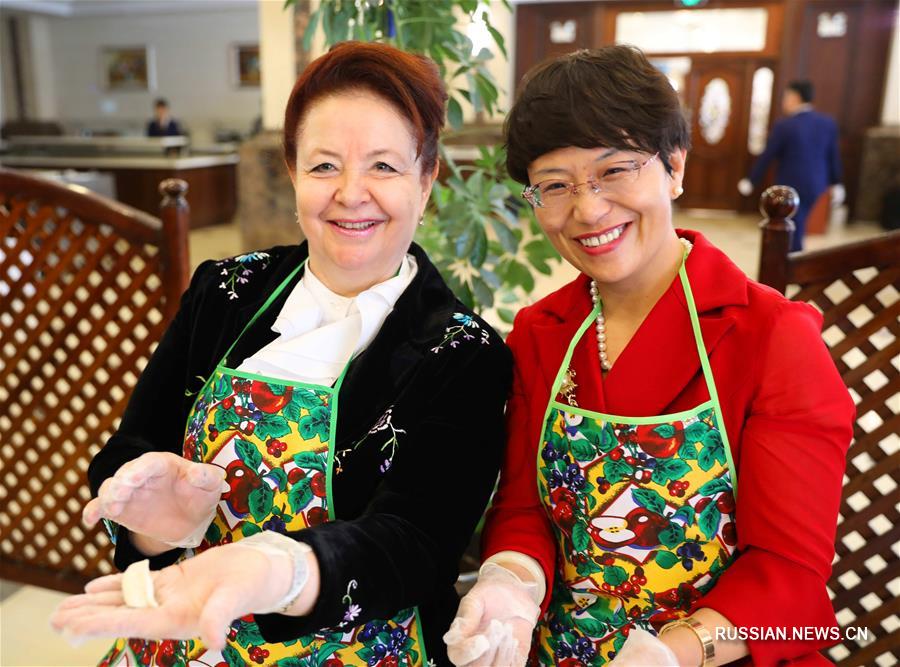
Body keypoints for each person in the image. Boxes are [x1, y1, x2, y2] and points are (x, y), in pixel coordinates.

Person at [51, 41, 511, 667]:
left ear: (426, 180)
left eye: (384, 166)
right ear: (292, 172)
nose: (352, 194)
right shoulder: (224, 291)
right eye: (324, 166)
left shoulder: (462, 351)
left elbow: (417, 543)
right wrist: (153, 522)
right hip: (177, 638)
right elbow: (132, 448)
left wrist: (279, 571)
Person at [443, 47, 854, 666]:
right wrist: (510, 582)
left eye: (615, 170)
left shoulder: (772, 337)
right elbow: (525, 508)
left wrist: (674, 654)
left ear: (675, 167)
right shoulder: (542, 331)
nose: (587, 209)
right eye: (555, 185)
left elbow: (789, 576)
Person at [737, 80, 844, 252]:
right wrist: (837, 183)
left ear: (795, 97)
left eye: (786, 97)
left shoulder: (785, 125)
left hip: (792, 185)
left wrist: (751, 180)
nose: (784, 101)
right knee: (797, 221)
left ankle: (792, 262)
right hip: (817, 184)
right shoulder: (827, 123)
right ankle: (791, 259)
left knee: (794, 223)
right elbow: (833, 156)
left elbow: (768, 155)